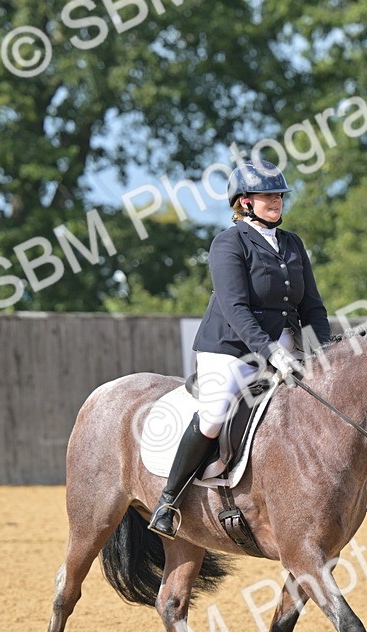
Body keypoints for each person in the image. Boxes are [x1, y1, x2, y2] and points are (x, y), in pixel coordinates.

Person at [148, 159, 332, 537]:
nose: (277, 201)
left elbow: (311, 304)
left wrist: (323, 351)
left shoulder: (292, 243)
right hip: (231, 346)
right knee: (215, 413)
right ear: (245, 202)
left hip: (283, 342)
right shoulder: (228, 242)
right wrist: (270, 352)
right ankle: (168, 500)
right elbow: (235, 307)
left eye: (279, 195)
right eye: (268, 196)